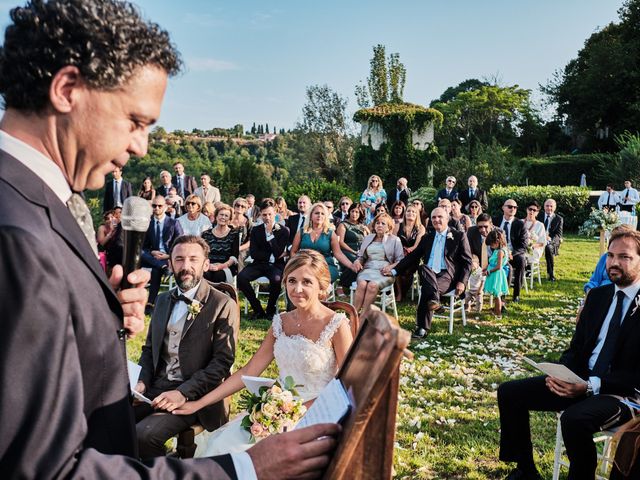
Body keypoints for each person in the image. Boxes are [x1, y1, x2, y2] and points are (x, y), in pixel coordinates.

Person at [0, 1, 343, 477]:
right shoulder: (16, 233)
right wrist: (243, 471)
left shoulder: (34, 200)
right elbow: (44, 467)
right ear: (67, 89)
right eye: (135, 122)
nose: (140, 146)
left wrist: (96, 317)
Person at [170, 250, 353, 458]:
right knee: (225, 449)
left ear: (322, 287)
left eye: (307, 282)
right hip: (272, 412)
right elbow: (250, 370)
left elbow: (347, 384)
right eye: (292, 281)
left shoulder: (336, 325)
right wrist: (200, 402)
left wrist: (295, 412)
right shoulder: (281, 322)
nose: (297, 289)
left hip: (317, 412)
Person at [497, 228, 640, 480]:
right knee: (509, 393)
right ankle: (525, 470)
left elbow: (635, 375)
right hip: (582, 379)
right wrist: (562, 373)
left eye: (625, 257)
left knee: (574, 419)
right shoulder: (597, 296)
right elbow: (577, 348)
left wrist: (588, 387)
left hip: (625, 394)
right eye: (610, 255)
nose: (614, 262)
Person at [134, 236, 238, 459]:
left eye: (193, 259)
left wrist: (182, 393)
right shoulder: (161, 300)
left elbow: (221, 364)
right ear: (170, 264)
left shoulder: (222, 304)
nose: (186, 266)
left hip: (196, 396)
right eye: (179, 259)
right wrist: (141, 382)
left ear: (205, 264)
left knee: (144, 436)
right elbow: (149, 349)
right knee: (107, 417)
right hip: (155, 388)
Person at [383, 207, 472, 338]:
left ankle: (422, 328)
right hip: (428, 273)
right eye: (434, 217)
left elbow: (467, 262)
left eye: (440, 217)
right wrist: (395, 270)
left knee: (426, 289)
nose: (437, 220)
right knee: (423, 268)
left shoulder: (459, 236)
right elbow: (412, 257)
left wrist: (462, 282)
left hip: (447, 276)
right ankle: (435, 301)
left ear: (447, 218)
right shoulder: (427, 237)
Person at [237, 198, 290, 320]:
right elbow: (254, 253)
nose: (267, 217)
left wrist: (270, 235)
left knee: (276, 280)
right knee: (241, 277)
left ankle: (270, 310)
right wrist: (272, 256)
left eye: (270, 214)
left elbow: (278, 253)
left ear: (275, 214)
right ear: (260, 214)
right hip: (258, 264)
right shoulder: (256, 230)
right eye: (264, 214)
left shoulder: (284, 231)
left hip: (276, 266)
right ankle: (257, 309)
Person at [290, 203, 359, 283]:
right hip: (306, 264)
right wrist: (297, 263)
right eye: (317, 213)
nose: (320, 215)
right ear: (311, 215)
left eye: (322, 214)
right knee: (305, 277)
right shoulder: (302, 231)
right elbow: (293, 251)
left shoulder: (330, 233)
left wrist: (351, 265)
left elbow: (338, 253)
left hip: (326, 265)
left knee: (316, 279)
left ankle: (319, 292)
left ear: (325, 217)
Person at [352, 213, 403, 313]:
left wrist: (390, 267)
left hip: (384, 272)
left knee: (372, 285)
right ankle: (354, 314)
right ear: (374, 225)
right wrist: (357, 261)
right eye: (377, 223)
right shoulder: (368, 238)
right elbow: (361, 256)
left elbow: (401, 260)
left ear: (389, 227)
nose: (379, 225)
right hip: (368, 269)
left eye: (383, 223)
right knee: (362, 284)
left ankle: (364, 316)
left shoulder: (395, 240)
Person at [141, 195, 184, 310]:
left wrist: (168, 255)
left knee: (155, 270)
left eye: (160, 206)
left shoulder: (174, 223)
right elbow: (143, 246)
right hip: (152, 257)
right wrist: (152, 252)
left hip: (168, 257)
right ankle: (163, 267)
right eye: (154, 206)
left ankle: (150, 304)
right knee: (139, 252)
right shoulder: (147, 223)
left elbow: (181, 244)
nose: (157, 208)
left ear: (165, 207)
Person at [493, 199, 528, 303]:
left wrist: (511, 253)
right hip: (498, 252)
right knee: (508, 268)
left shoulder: (520, 224)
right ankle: (501, 295)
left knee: (521, 260)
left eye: (515, 207)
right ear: (503, 208)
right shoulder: (495, 221)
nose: (512, 209)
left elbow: (523, 244)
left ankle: (516, 294)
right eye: (510, 207)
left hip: (514, 253)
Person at [393, 204, 426, 302]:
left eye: (413, 212)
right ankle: (399, 293)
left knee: (407, 271)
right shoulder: (398, 225)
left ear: (417, 215)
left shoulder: (421, 228)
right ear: (405, 213)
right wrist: (402, 250)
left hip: (413, 255)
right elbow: (394, 240)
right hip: (399, 253)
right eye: (408, 211)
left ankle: (404, 292)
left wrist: (409, 250)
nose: (410, 213)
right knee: (397, 267)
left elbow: (417, 245)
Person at [201, 204, 240, 284]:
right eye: (221, 214)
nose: (223, 217)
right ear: (216, 216)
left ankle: (218, 296)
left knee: (218, 275)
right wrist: (208, 266)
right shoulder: (206, 234)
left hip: (226, 267)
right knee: (205, 275)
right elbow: (202, 253)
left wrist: (220, 266)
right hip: (208, 265)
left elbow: (234, 257)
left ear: (230, 219)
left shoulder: (234, 234)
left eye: (226, 216)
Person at [336, 203, 369, 291]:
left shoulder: (362, 226)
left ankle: (358, 285)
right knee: (357, 263)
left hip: (360, 252)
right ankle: (340, 285)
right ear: (349, 212)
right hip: (346, 250)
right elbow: (341, 242)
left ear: (360, 214)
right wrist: (354, 252)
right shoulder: (343, 225)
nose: (354, 214)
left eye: (357, 212)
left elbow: (367, 240)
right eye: (352, 211)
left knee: (367, 263)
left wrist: (367, 230)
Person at [483, 230, 509, 319]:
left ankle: (498, 314)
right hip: (494, 274)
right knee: (495, 294)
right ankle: (496, 311)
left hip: (496, 275)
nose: (491, 246)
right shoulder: (498, 250)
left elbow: (498, 266)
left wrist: (489, 271)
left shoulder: (500, 252)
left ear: (497, 242)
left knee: (497, 294)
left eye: (491, 244)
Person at [541, 198, 563, 281]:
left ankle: (550, 274)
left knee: (548, 248)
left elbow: (558, 235)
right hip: (539, 239)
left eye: (551, 206)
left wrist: (549, 239)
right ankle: (528, 270)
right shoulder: (538, 215)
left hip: (551, 241)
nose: (549, 208)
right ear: (544, 207)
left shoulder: (559, 219)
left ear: (555, 207)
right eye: (547, 206)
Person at [231, 197, 252, 270]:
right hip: (228, 245)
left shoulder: (248, 222)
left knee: (239, 255)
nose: (240, 207)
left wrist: (239, 248)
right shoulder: (228, 219)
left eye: (242, 206)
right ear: (234, 206)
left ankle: (239, 278)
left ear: (246, 209)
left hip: (243, 248)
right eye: (237, 205)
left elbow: (250, 241)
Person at [523, 201, 546, 265]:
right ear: (527, 210)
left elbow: (542, 243)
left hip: (534, 248)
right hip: (521, 247)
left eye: (534, 210)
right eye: (530, 209)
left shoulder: (540, 225)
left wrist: (531, 246)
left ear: (537, 213)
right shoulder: (520, 222)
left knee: (528, 254)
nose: (532, 211)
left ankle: (527, 269)